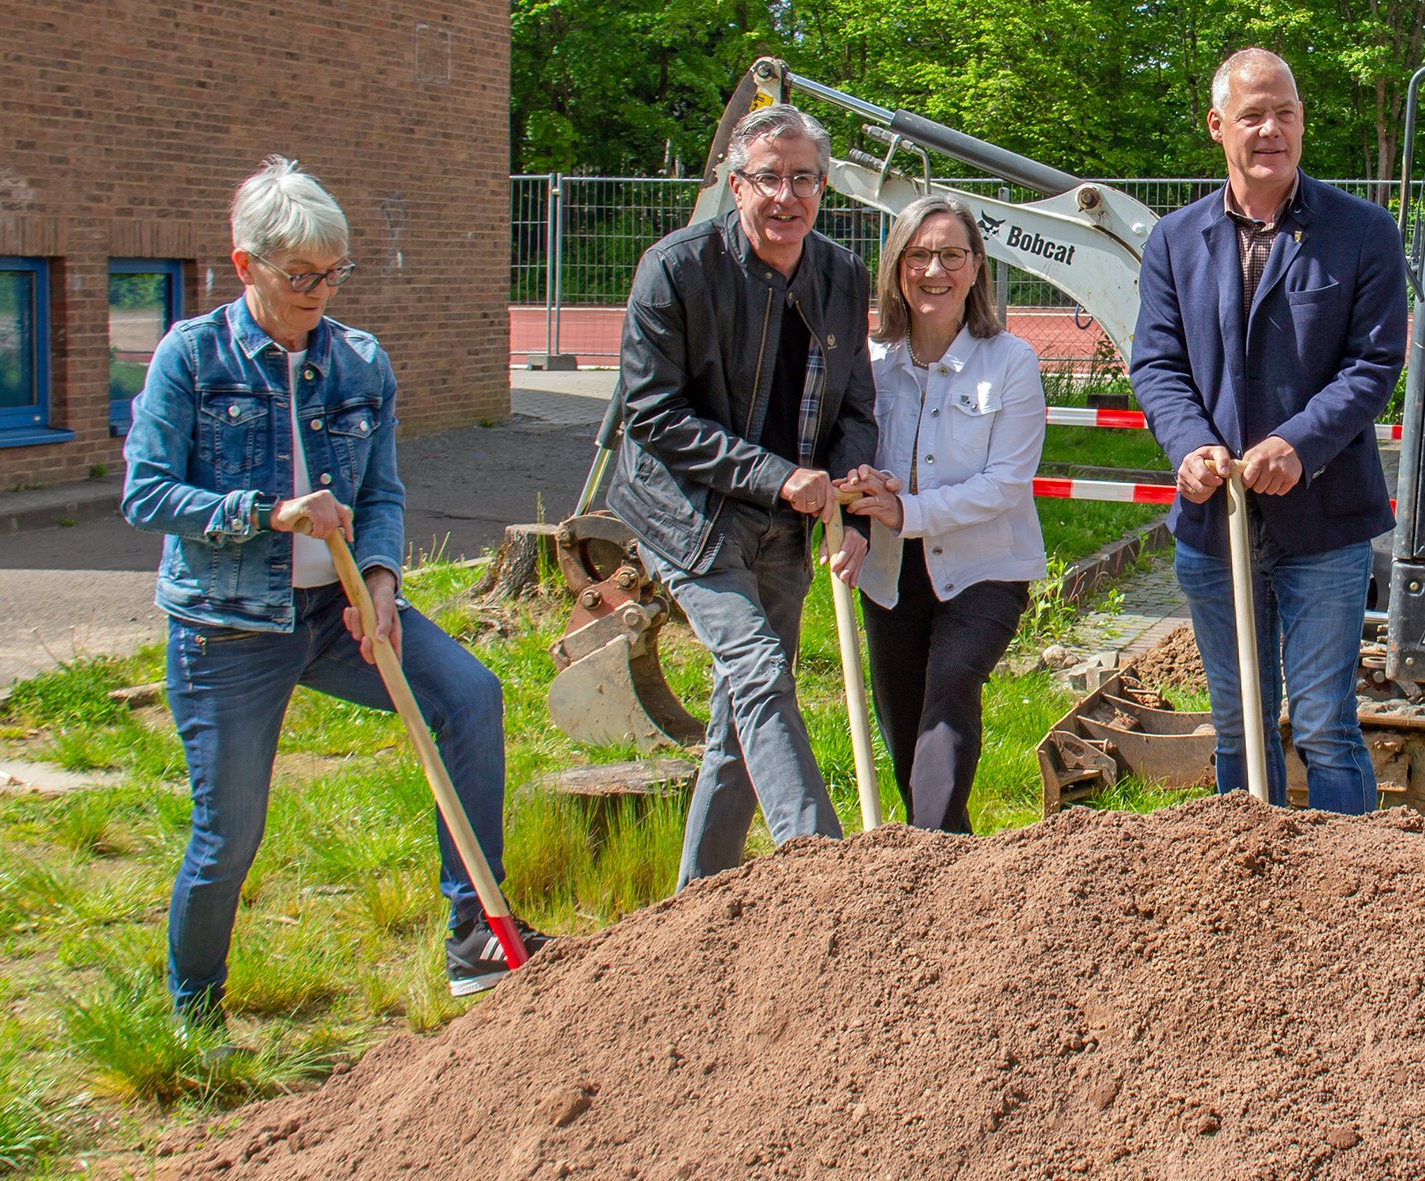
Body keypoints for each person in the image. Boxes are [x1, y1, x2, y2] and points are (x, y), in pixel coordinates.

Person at [121, 156, 548, 1019]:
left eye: (332, 273)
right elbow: (145, 493)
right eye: (299, 275)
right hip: (228, 627)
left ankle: (475, 932)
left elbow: (381, 492)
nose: (318, 291)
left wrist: (383, 579)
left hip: (338, 609)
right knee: (228, 831)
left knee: (468, 695)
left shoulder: (358, 362)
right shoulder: (191, 359)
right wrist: (267, 512)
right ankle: (193, 1010)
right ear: (245, 266)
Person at [1130, 48, 1408, 813]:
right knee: (1236, 727)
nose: (1271, 129)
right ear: (1218, 126)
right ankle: (1245, 902)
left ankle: (1345, 894)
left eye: (1285, 112)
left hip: (1326, 521)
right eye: (1252, 114)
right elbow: (1156, 363)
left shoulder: (1362, 231)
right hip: (1216, 526)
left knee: (1324, 725)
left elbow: (1375, 361)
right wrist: (1188, 445)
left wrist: (1301, 444)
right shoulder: (1175, 240)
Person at [607, 105, 876, 886]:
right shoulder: (677, 268)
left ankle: (698, 898)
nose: (785, 195)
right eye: (768, 178)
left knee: (740, 714)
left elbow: (855, 407)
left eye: (803, 178)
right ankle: (821, 870)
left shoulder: (839, 273)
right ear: (735, 185)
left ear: (823, 187)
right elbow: (652, 413)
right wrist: (776, 476)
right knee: (759, 671)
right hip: (689, 514)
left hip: (787, 524)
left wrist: (848, 494)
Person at [840, 196, 1046, 833]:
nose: (936, 269)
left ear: (977, 267)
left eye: (952, 254)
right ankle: (947, 864)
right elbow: (844, 447)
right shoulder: (868, 364)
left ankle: (927, 850)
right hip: (890, 574)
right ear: (898, 269)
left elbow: (1005, 484)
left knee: (949, 692)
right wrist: (858, 486)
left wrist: (909, 510)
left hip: (987, 569)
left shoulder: (1011, 361)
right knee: (905, 727)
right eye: (920, 254)